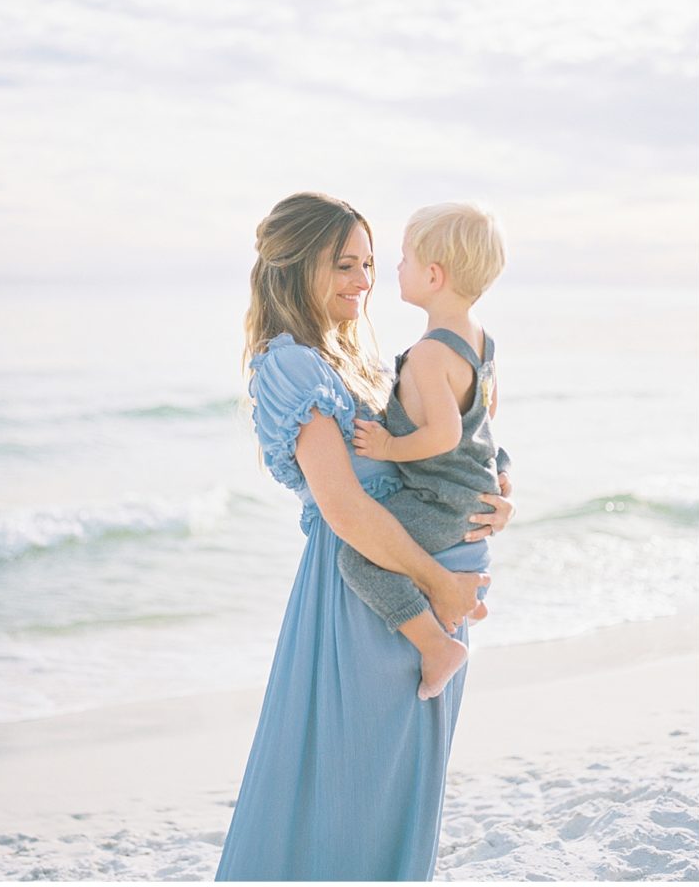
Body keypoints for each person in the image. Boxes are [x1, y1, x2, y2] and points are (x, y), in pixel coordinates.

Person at [214, 192, 514, 882]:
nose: (362, 281)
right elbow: (344, 509)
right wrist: (443, 587)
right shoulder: (292, 365)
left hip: (414, 584)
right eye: (343, 265)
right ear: (293, 268)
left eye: (370, 265)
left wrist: (499, 498)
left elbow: (462, 437)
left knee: (400, 784)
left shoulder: (360, 358)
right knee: (351, 789)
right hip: (367, 597)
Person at [338, 202, 509, 701]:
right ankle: (462, 602)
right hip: (469, 494)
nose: (394, 268)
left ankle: (436, 645)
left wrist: (391, 443)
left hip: (444, 501)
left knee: (360, 558)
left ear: (433, 275)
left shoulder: (432, 353)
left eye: (404, 259)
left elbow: (446, 436)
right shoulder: (483, 341)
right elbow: (486, 416)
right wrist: (500, 473)